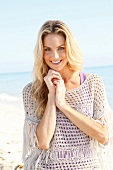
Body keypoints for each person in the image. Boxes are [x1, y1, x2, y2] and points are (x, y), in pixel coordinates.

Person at [22, 20, 113, 170]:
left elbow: (103, 136)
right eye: (47, 49)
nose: (55, 56)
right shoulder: (31, 91)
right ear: (41, 52)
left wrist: (62, 104)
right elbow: (43, 142)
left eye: (61, 48)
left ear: (70, 48)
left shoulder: (92, 83)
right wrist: (52, 96)